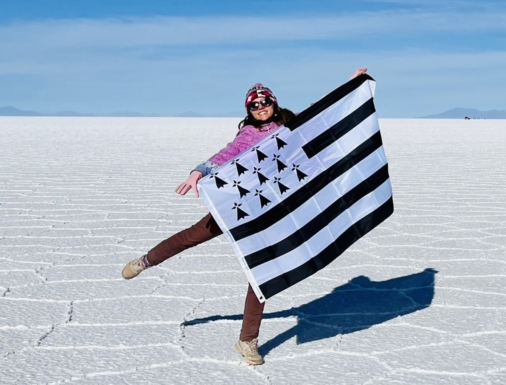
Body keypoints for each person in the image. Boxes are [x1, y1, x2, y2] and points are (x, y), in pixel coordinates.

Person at [122, 68, 367, 365]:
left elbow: (323, 116)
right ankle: (145, 261)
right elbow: (228, 153)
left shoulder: (292, 124)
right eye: (254, 105)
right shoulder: (248, 133)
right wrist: (200, 170)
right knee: (192, 236)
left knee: (261, 270)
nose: (261, 108)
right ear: (248, 110)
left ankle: (247, 340)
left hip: (276, 209)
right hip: (242, 203)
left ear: (274, 103)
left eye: (265, 102)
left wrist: (351, 87)